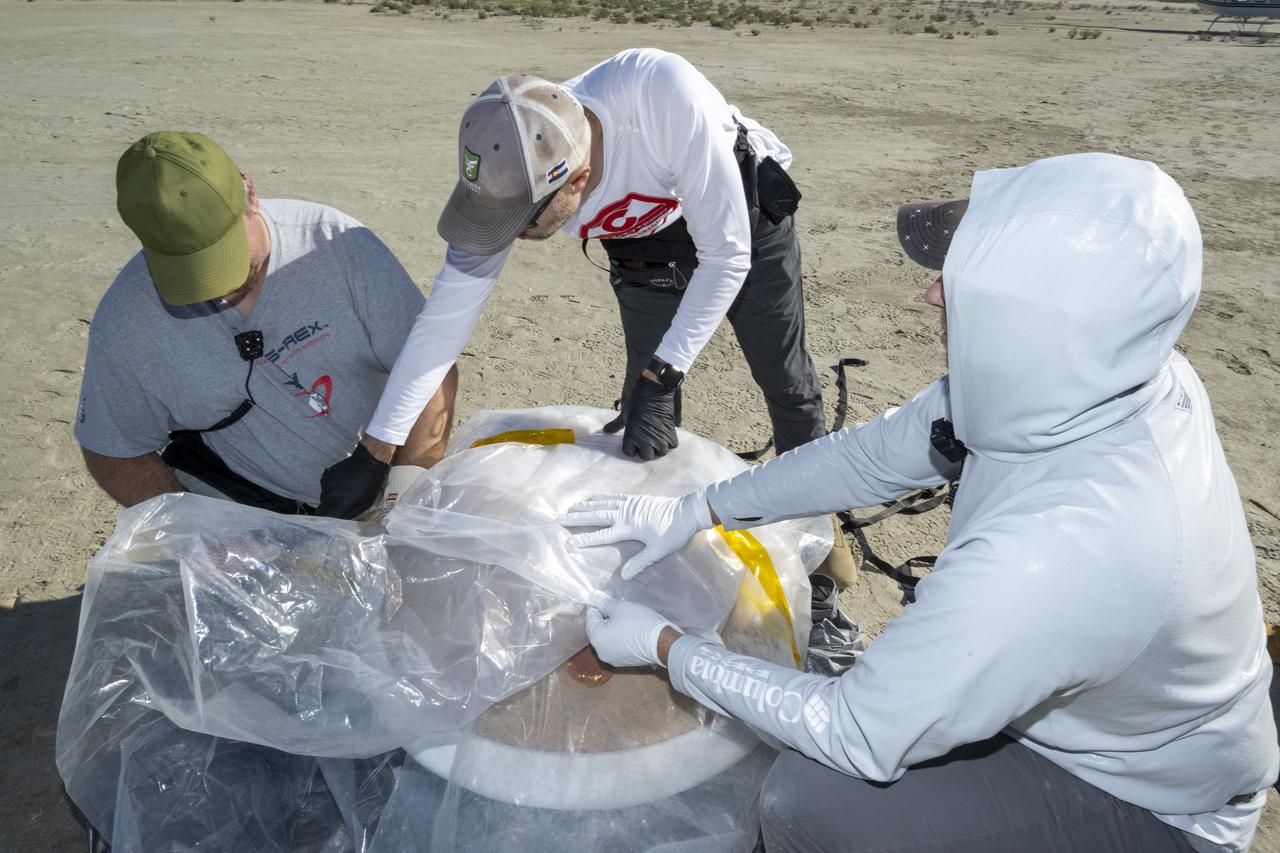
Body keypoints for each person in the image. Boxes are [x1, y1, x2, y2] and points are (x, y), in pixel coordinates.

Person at [562, 153, 1279, 852]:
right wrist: (696, 510)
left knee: (811, 803)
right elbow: (868, 457)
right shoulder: (1098, 372)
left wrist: (663, 645)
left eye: (966, 279)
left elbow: (856, 730)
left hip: (1155, 802)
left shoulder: (1058, 551)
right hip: (1113, 714)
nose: (932, 293)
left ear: (1036, 323)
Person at [321, 49, 856, 581]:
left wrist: (666, 370)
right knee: (644, 424)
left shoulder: (662, 94)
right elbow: (443, 322)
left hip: (743, 223)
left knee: (786, 384)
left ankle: (820, 551)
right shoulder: (512, 157)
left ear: (576, 181)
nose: (509, 235)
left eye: (521, 220)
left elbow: (727, 255)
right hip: (642, 247)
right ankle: (672, 571)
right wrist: (374, 452)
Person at [77, 131, 453, 516]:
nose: (218, 285)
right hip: (239, 502)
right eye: (190, 272)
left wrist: (406, 489)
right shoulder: (126, 321)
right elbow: (112, 449)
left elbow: (428, 363)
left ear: (250, 194)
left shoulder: (338, 244)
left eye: (225, 253)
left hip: (382, 475)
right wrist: (199, 531)